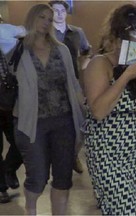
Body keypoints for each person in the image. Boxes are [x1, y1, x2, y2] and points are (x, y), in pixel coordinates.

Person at [82, 4, 136, 215]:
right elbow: (98, 111)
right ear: (121, 42)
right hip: (108, 151)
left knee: (134, 207)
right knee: (122, 210)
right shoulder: (100, 63)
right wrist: (125, 77)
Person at [12, 4, 83, 215]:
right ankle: (31, 208)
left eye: (49, 19)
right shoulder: (17, 49)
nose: (45, 22)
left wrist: (85, 109)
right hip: (31, 122)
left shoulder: (61, 49)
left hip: (64, 121)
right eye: (41, 17)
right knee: (38, 176)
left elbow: (73, 83)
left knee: (63, 177)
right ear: (31, 18)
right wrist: (22, 32)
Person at [48, 0, 92, 174]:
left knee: (81, 121)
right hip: (50, 86)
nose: (59, 13)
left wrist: (85, 63)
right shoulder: (45, 33)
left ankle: (73, 156)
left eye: (62, 10)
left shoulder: (76, 32)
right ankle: (58, 163)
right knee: (57, 126)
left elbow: (87, 49)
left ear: (66, 13)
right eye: (55, 10)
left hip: (73, 83)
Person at [0, 15, 25, 204]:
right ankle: (2, 188)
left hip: (8, 102)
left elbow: (25, 31)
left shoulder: (8, 32)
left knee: (20, 142)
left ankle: (8, 170)